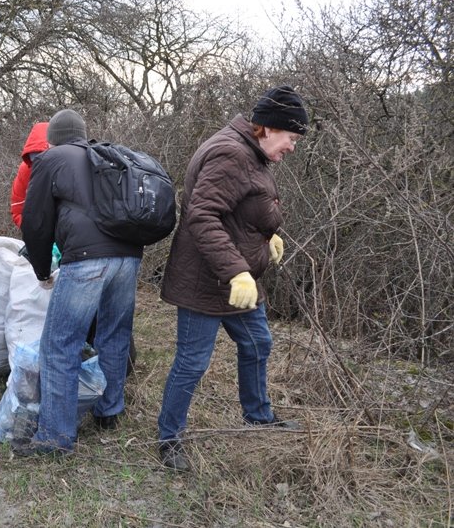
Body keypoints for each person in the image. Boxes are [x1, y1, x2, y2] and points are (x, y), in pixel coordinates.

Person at [156, 85, 308, 472]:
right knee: (192, 362)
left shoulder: (251, 153)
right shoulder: (231, 153)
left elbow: (240, 209)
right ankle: (169, 438)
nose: (292, 147)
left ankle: (257, 415)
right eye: (291, 138)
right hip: (208, 280)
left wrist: (268, 234)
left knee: (257, 343)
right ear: (268, 128)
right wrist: (237, 271)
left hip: (238, 282)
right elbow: (203, 215)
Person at [18, 109, 144, 455]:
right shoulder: (105, 155)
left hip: (88, 259)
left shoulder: (51, 159)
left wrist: (41, 269)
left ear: (52, 140)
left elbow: (35, 222)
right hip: (128, 256)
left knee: (60, 345)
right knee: (114, 335)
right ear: (83, 134)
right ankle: (109, 410)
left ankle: (55, 438)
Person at [10, 122, 49, 228]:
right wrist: (33, 230)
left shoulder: (70, 166)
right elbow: (17, 210)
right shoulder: (25, 170)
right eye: (35, 159)